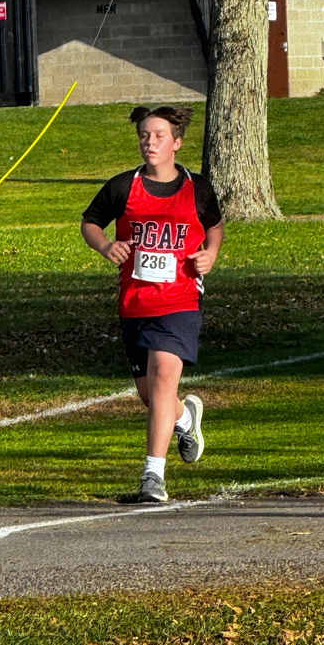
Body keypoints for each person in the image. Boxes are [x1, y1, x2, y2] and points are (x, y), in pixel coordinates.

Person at [81, 105, 224, 504]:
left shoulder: (197, 190)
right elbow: (90, 222)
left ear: (176, 143)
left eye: (159, 135)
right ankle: (184, 417)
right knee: (152, 396)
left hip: (179, 301)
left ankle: (152, 478)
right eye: (145, 135)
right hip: (135, 302)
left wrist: (210, 254)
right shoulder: (123, 187)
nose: (150, 141)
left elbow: (214, 227)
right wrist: (107, 245)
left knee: (163, 378)